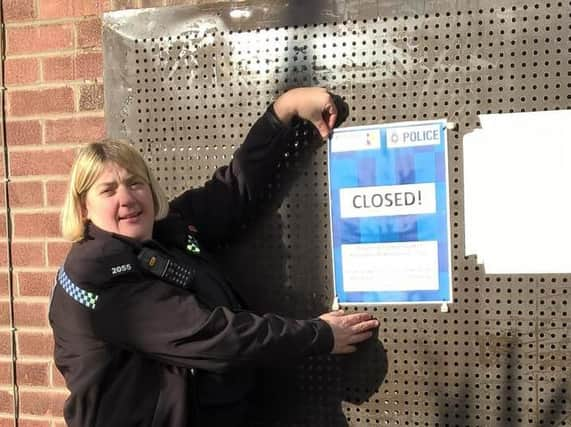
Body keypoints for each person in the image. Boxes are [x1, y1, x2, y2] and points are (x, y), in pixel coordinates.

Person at [49, 87, 379, 427]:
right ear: (83, 207)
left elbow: (232, 191)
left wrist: (283, 111)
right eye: (108, 190)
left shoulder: (165, 231)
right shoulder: (97, 273)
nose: (127, 197)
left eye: (135, 183)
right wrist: (321, 336)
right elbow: (213, 336)